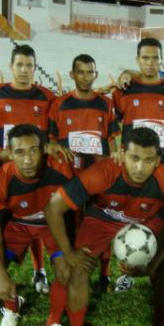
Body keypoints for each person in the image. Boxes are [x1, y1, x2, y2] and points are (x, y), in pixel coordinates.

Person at [45, 128, 164, 326]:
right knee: (79, 267)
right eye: (134, 158)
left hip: (147, 220)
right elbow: (53, 207)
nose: (140, 167)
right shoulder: (102, 173)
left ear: (158, 161)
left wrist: (152, 264)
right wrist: (69, 253)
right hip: (103, 217)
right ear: (122, 154)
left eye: (148, 160)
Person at [0, 125, 73, 326]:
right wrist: (1, 274)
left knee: (66, 270)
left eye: (33, 151)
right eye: (19, 152)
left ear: (44, 150)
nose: (28, 160)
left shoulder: (60, 168)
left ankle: (54, 324)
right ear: (10, 154)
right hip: (18, 225)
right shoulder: (2, 178)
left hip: (52, 224)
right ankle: (12, 307)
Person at [0, 44, 59, 294]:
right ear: (11, 67)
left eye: (29, 65)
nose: (24, 70)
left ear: (35, 68)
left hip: (32, 169)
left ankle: (39, 272)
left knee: (34, 215)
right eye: (20, 65)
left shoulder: (47, 97)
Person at [111, 38, 164, 292]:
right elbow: (110, 122)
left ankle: (156, 267)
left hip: (161, 167)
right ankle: (125, 272)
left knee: (160, 219)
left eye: (155, 58)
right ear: (137, 60)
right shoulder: (124, 90)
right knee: (128, 218)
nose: (150, 63)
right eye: (145, 58)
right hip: (132, 168)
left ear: (161, 60)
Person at [48, 54, 120, 294]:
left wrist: (112, 169)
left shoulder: (105, 104)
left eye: (90, 72)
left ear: (96, 75)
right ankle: (75, 269)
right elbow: (51, 140)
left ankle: (105, 275)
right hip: (68, 174)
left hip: (97, 175)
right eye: (81, 72)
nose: (86, 77)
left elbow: (111, 141)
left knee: (101, 221)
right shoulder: (59, 104)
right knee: (73, 225)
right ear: (72, 75)